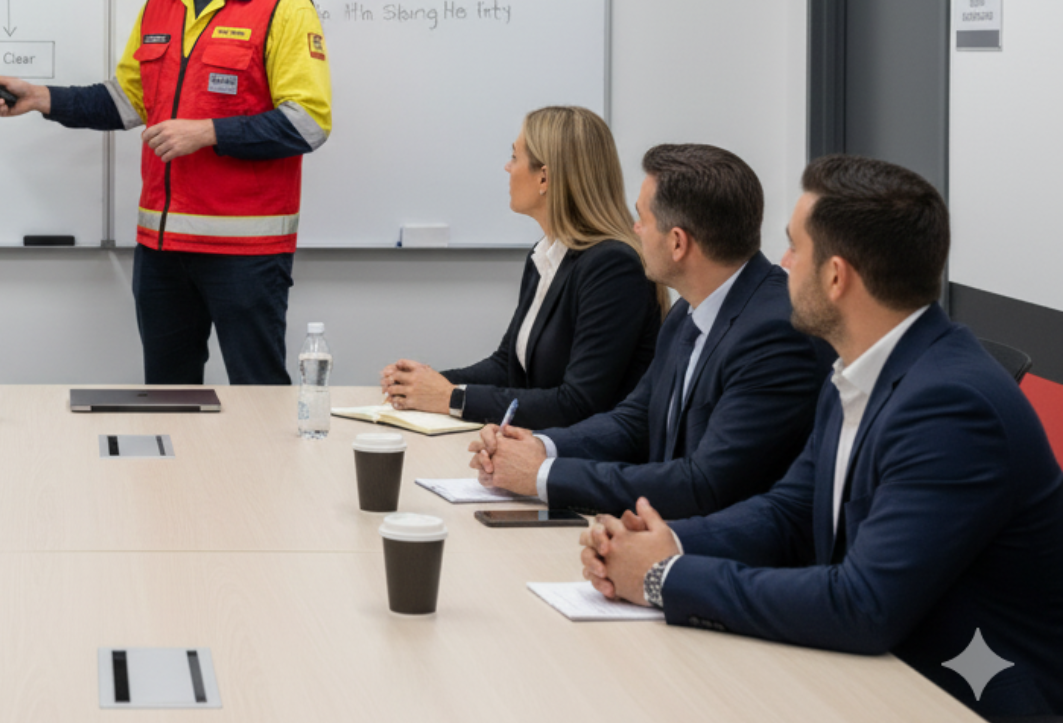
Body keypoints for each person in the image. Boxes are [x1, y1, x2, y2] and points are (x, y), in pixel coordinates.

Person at [581, 155, 1063, 717]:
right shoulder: (857, 368)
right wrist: (669, 543)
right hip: (875, 676)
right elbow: (790, 510)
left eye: (794, 248)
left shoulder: (950, 406)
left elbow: (862, 604)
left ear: (836, 276)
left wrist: (667, 578)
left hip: (961, 699)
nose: (782, 265)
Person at [0, 0, 332, 385]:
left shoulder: (282, 5)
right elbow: (127, 101)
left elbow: (309, 123)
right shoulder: (162, 2)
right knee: (168, 397)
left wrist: (208, 132)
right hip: (161, 252)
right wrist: (39, 97)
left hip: (245, 256)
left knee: (259, 399)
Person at [469, 144, 829, 518]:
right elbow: (633, 421)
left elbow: (704, 485)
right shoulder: (688, 312)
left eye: (641, 218)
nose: (634, 229)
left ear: (677, 242)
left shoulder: (775, 334)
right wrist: (539, 445)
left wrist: (544, 475)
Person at [379, 105, 663, 429]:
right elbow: (507, 366)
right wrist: (426, 384)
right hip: (538, 450)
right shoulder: (545, 256)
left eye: (514, 157)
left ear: (544, 176)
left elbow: (578, 403)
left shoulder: (612, 267)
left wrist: (451, 398)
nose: (507, 167)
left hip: (586, 464)